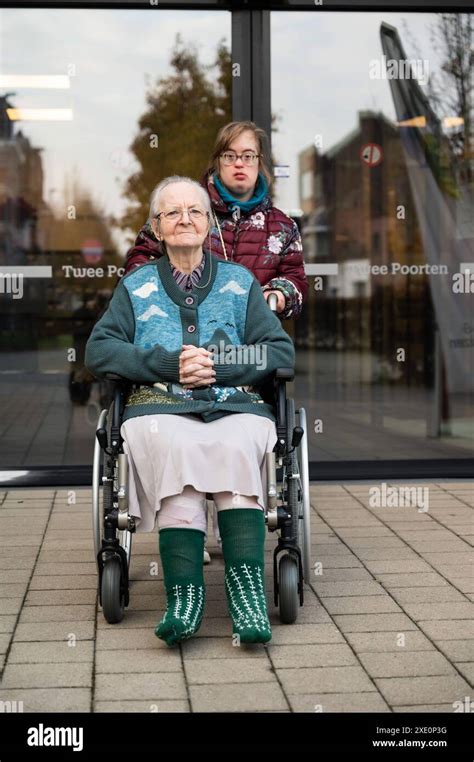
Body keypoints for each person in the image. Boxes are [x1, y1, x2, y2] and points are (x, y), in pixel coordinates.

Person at [85, 176, 295, 647]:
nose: (185, 219)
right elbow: (98, 350)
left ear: (208, 223)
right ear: (156, 229)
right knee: (173, 441)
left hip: (233, 404)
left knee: (241, 439)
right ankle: (185, 597)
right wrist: (166, 364)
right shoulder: (135, 287)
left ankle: (246, 597)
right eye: (172, 213)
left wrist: (220, 367)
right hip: (158, 405)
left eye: (195, 212)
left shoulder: (240, 283)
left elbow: (279, 353)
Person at [124, 120, 308, 320]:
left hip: (252, 339)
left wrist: (278, 294)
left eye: (248, 156)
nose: (239, 163)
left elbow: (295, 277)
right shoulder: (185, 209)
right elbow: (141, 261)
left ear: (259, 161)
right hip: (184, 334)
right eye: (229, 156)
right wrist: (163, 297)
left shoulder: (283, 226)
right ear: (218, 161)